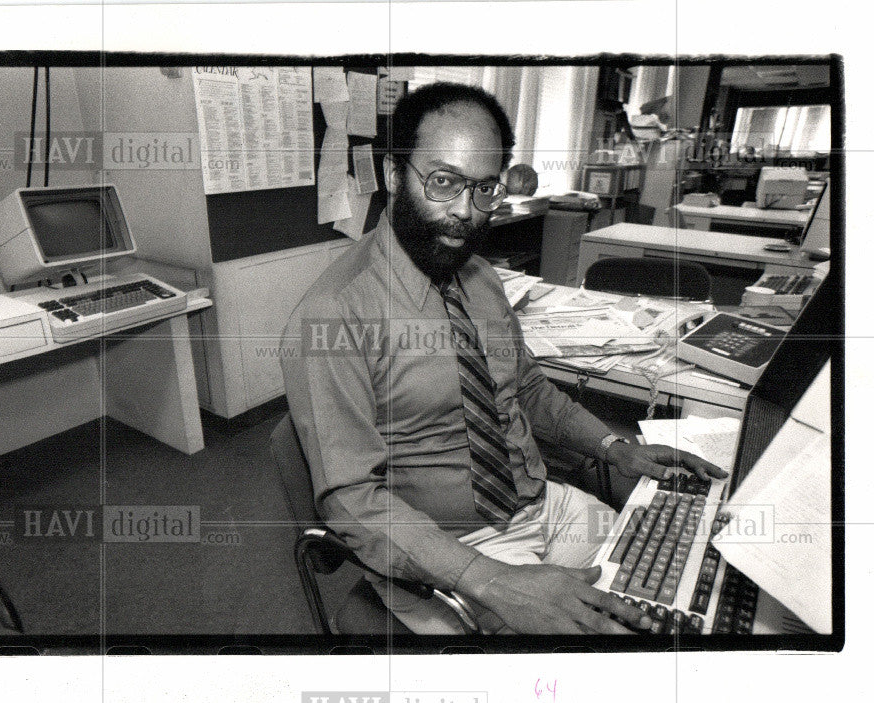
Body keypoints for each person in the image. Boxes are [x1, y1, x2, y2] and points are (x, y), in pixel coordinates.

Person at [280, 82, 726, 634]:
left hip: (538, 504)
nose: (465, 213)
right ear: (396, 175)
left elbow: (530, 391)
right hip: (448, 546)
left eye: (484, 188)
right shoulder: (334, 318)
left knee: (677, 574)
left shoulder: (480, 277)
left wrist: (615, 449)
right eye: (443, 182)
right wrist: (487, 578)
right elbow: (350, 499)